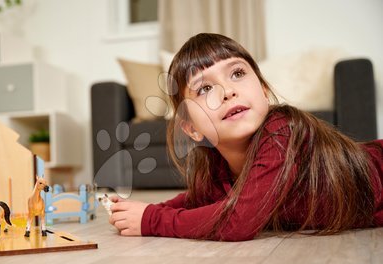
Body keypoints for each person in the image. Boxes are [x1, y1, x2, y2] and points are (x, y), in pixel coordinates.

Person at [108, 33, 383, 241]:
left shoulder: (281, 130)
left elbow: (238, 220)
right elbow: (198, 199)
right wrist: (143, 210)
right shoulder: (215, 163)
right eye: (204, 89)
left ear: (263, 90)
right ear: (191, 127)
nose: (227, 91)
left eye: (237, 73)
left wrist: (152, 220)